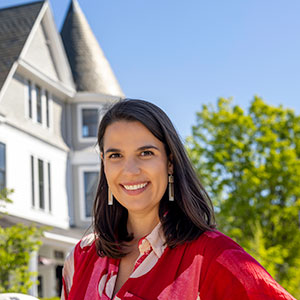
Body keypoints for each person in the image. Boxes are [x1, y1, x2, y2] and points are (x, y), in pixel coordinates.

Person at [61, 99, 296, 300]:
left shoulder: (211, 256)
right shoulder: (81, 258)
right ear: (104, 163)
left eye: (146, 153)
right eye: (115, 155)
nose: (130, 170)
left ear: (170, 161)